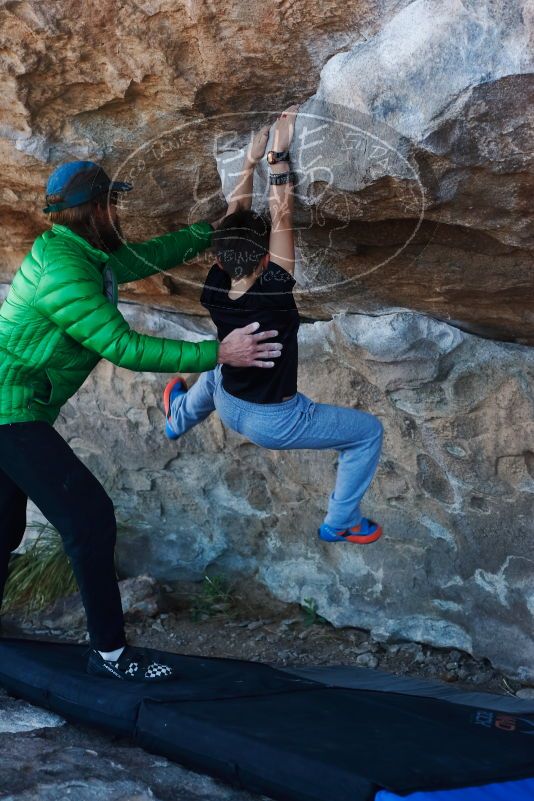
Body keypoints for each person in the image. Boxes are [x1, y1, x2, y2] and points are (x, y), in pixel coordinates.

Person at [0, 160, 282, 682]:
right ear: (95, 209)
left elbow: (138, 259)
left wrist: (208, 232)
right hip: (7, 413)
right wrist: (217, 353)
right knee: (88, 519)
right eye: (112, 203)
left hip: (16, 407)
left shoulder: (77, 251)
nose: (118, 211)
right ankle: (111, 655)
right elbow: (122, 346)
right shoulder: (65, 270)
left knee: (3, 527)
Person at [164, 107, 384, 545]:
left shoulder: (213, 287)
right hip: (277, 421)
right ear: (266, 261)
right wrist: (276, 159)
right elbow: (281, 219)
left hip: (229, 401)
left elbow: (236, 219)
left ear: (219, 260)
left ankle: (177, 419)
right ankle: (341, 521)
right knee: (367, 434)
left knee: (217, 365)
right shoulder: (274, 293)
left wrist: (247, 164)